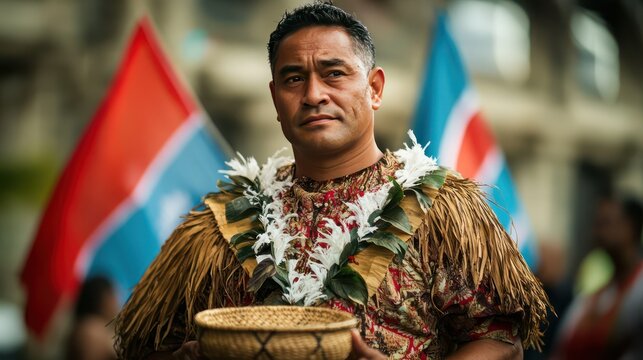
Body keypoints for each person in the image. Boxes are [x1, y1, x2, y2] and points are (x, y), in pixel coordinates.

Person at [114, 3, 550, 359]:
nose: (313, 94)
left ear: (375, 88)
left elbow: (498, 339)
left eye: (334, 73)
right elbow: (146, 345)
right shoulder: (216, 225)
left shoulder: (444, 209)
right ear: (275, 100)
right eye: (293, 78)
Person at [551, 196, 643, 359]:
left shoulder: (638, 288)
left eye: (605, 223)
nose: (597, 232)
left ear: (631, 227)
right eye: (597, 224)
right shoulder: (593, 297)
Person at [66, 276, 119, 360]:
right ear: (103, 300)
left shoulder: (84, 327)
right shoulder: (91, 330)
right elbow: (118, 350)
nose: (117, 301)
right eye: (113, 295)